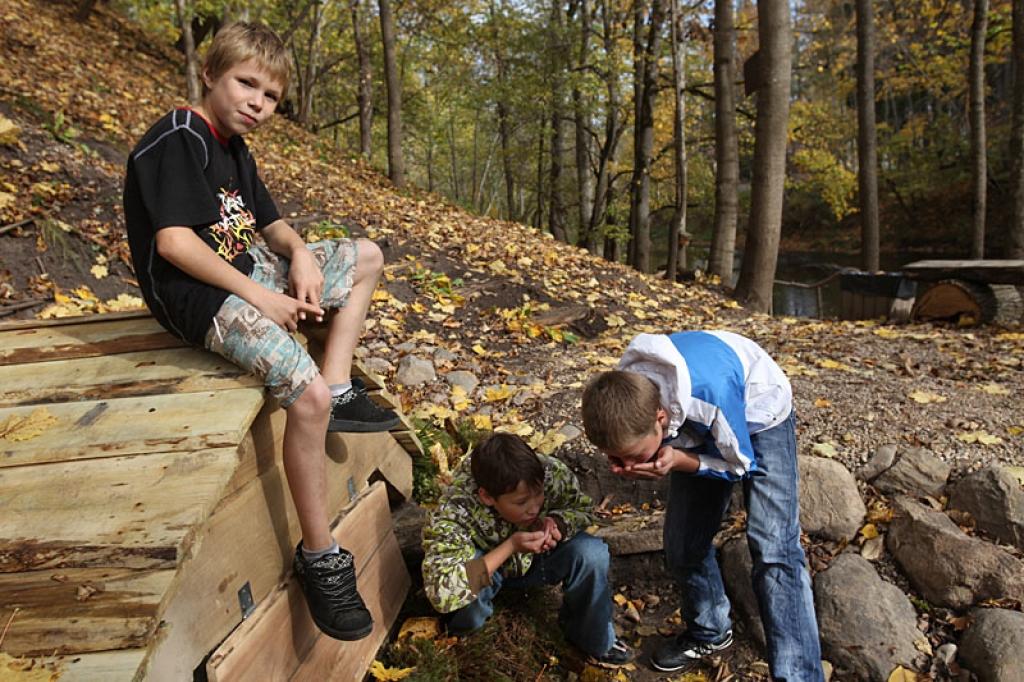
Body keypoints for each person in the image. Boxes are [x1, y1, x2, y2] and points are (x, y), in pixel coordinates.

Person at [122, 22, 399, 641]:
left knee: (368, 257)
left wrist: (298, 254)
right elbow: (172, 243)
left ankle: (341, 384)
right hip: (198, 298)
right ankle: (321, 556)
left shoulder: (234, 148)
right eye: (246, 84)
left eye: (271, 97)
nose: (258, 103)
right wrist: (262, 297)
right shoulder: (179, 136)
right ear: (210, 75)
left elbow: (271, 226)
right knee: (307, 399)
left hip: (247, 275)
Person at [582, 331, 824, 680]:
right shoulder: (626, 394)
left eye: (632, 456)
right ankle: (710, 631)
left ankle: (799, 675)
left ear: (660, 418)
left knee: (775, 551)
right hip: (693, 419)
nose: (624, 465)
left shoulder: (712, 401)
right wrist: (641, 456)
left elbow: (742, 466)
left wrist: (681, 461)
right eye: (614, 458)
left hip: (757, 412)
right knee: (682, 545)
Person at [421, 432, 634, 668]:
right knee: (466, 590)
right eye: (521, 503)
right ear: (487, 497)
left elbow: (583, 509)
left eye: (539, 495)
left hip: (537, 561)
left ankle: (593, 639)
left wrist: (558, 523)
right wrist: (510, 546)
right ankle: (466, 639)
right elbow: (442, 591)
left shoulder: (551, 472)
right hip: (491, 572)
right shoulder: (454, 512)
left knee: (592, 554)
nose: (533, 508)